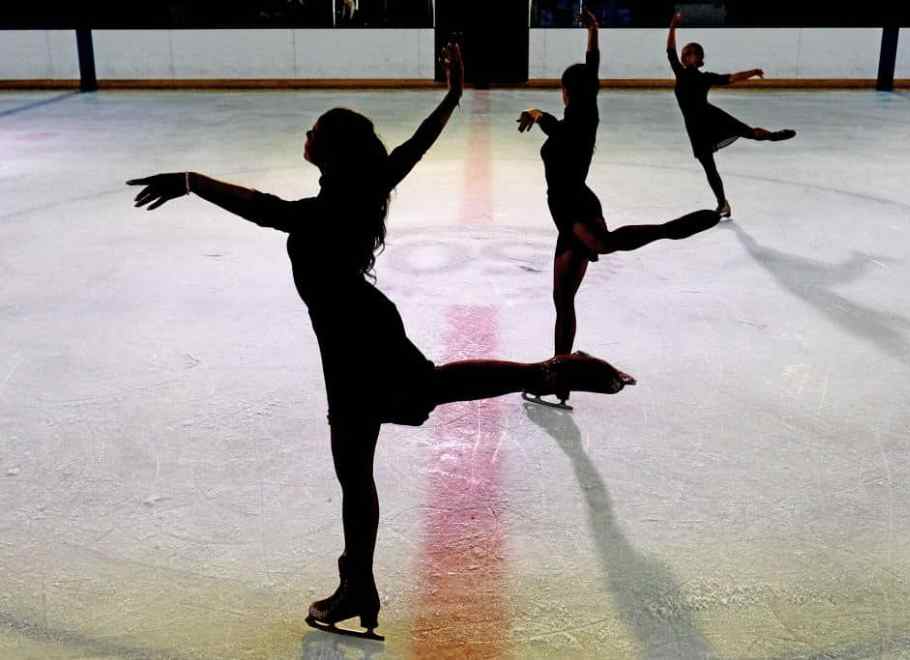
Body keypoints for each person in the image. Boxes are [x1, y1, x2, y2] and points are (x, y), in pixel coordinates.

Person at [126, 43, 633, 640]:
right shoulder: (366, 188)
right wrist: (451, 95)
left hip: (353, 341)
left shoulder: (329, 208)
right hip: (359, 331)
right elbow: (417, 144)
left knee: (372, 451)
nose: (306, 134)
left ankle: (359, 583)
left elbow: (265, 210)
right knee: (404, 418)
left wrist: (192, 181)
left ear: (332, 150)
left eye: (315, 131)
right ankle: (545, 373)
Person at [518, 9, 721, 409]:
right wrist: (592, 33)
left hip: (575, 206)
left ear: (566, 91)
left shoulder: (577, 119)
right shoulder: (580, 113)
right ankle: (560, 379)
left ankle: (667, 229)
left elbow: (563, 118)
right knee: (563, 300)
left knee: (604, 244)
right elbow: (577, 91)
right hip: (568, 211)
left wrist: (541, 113)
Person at [667, 11, 797, 218]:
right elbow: (670, 50)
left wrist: (752, 72)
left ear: (698, 58)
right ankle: (722, 204)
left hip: (711, 118)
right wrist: (673, 26)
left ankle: (772, 136)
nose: (686, 55)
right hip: (697, 127)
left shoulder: (705, 77)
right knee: (709, 168)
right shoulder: (680, 72)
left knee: (747, 132)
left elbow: (732, 78)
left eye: (690, 53)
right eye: (685, 52)